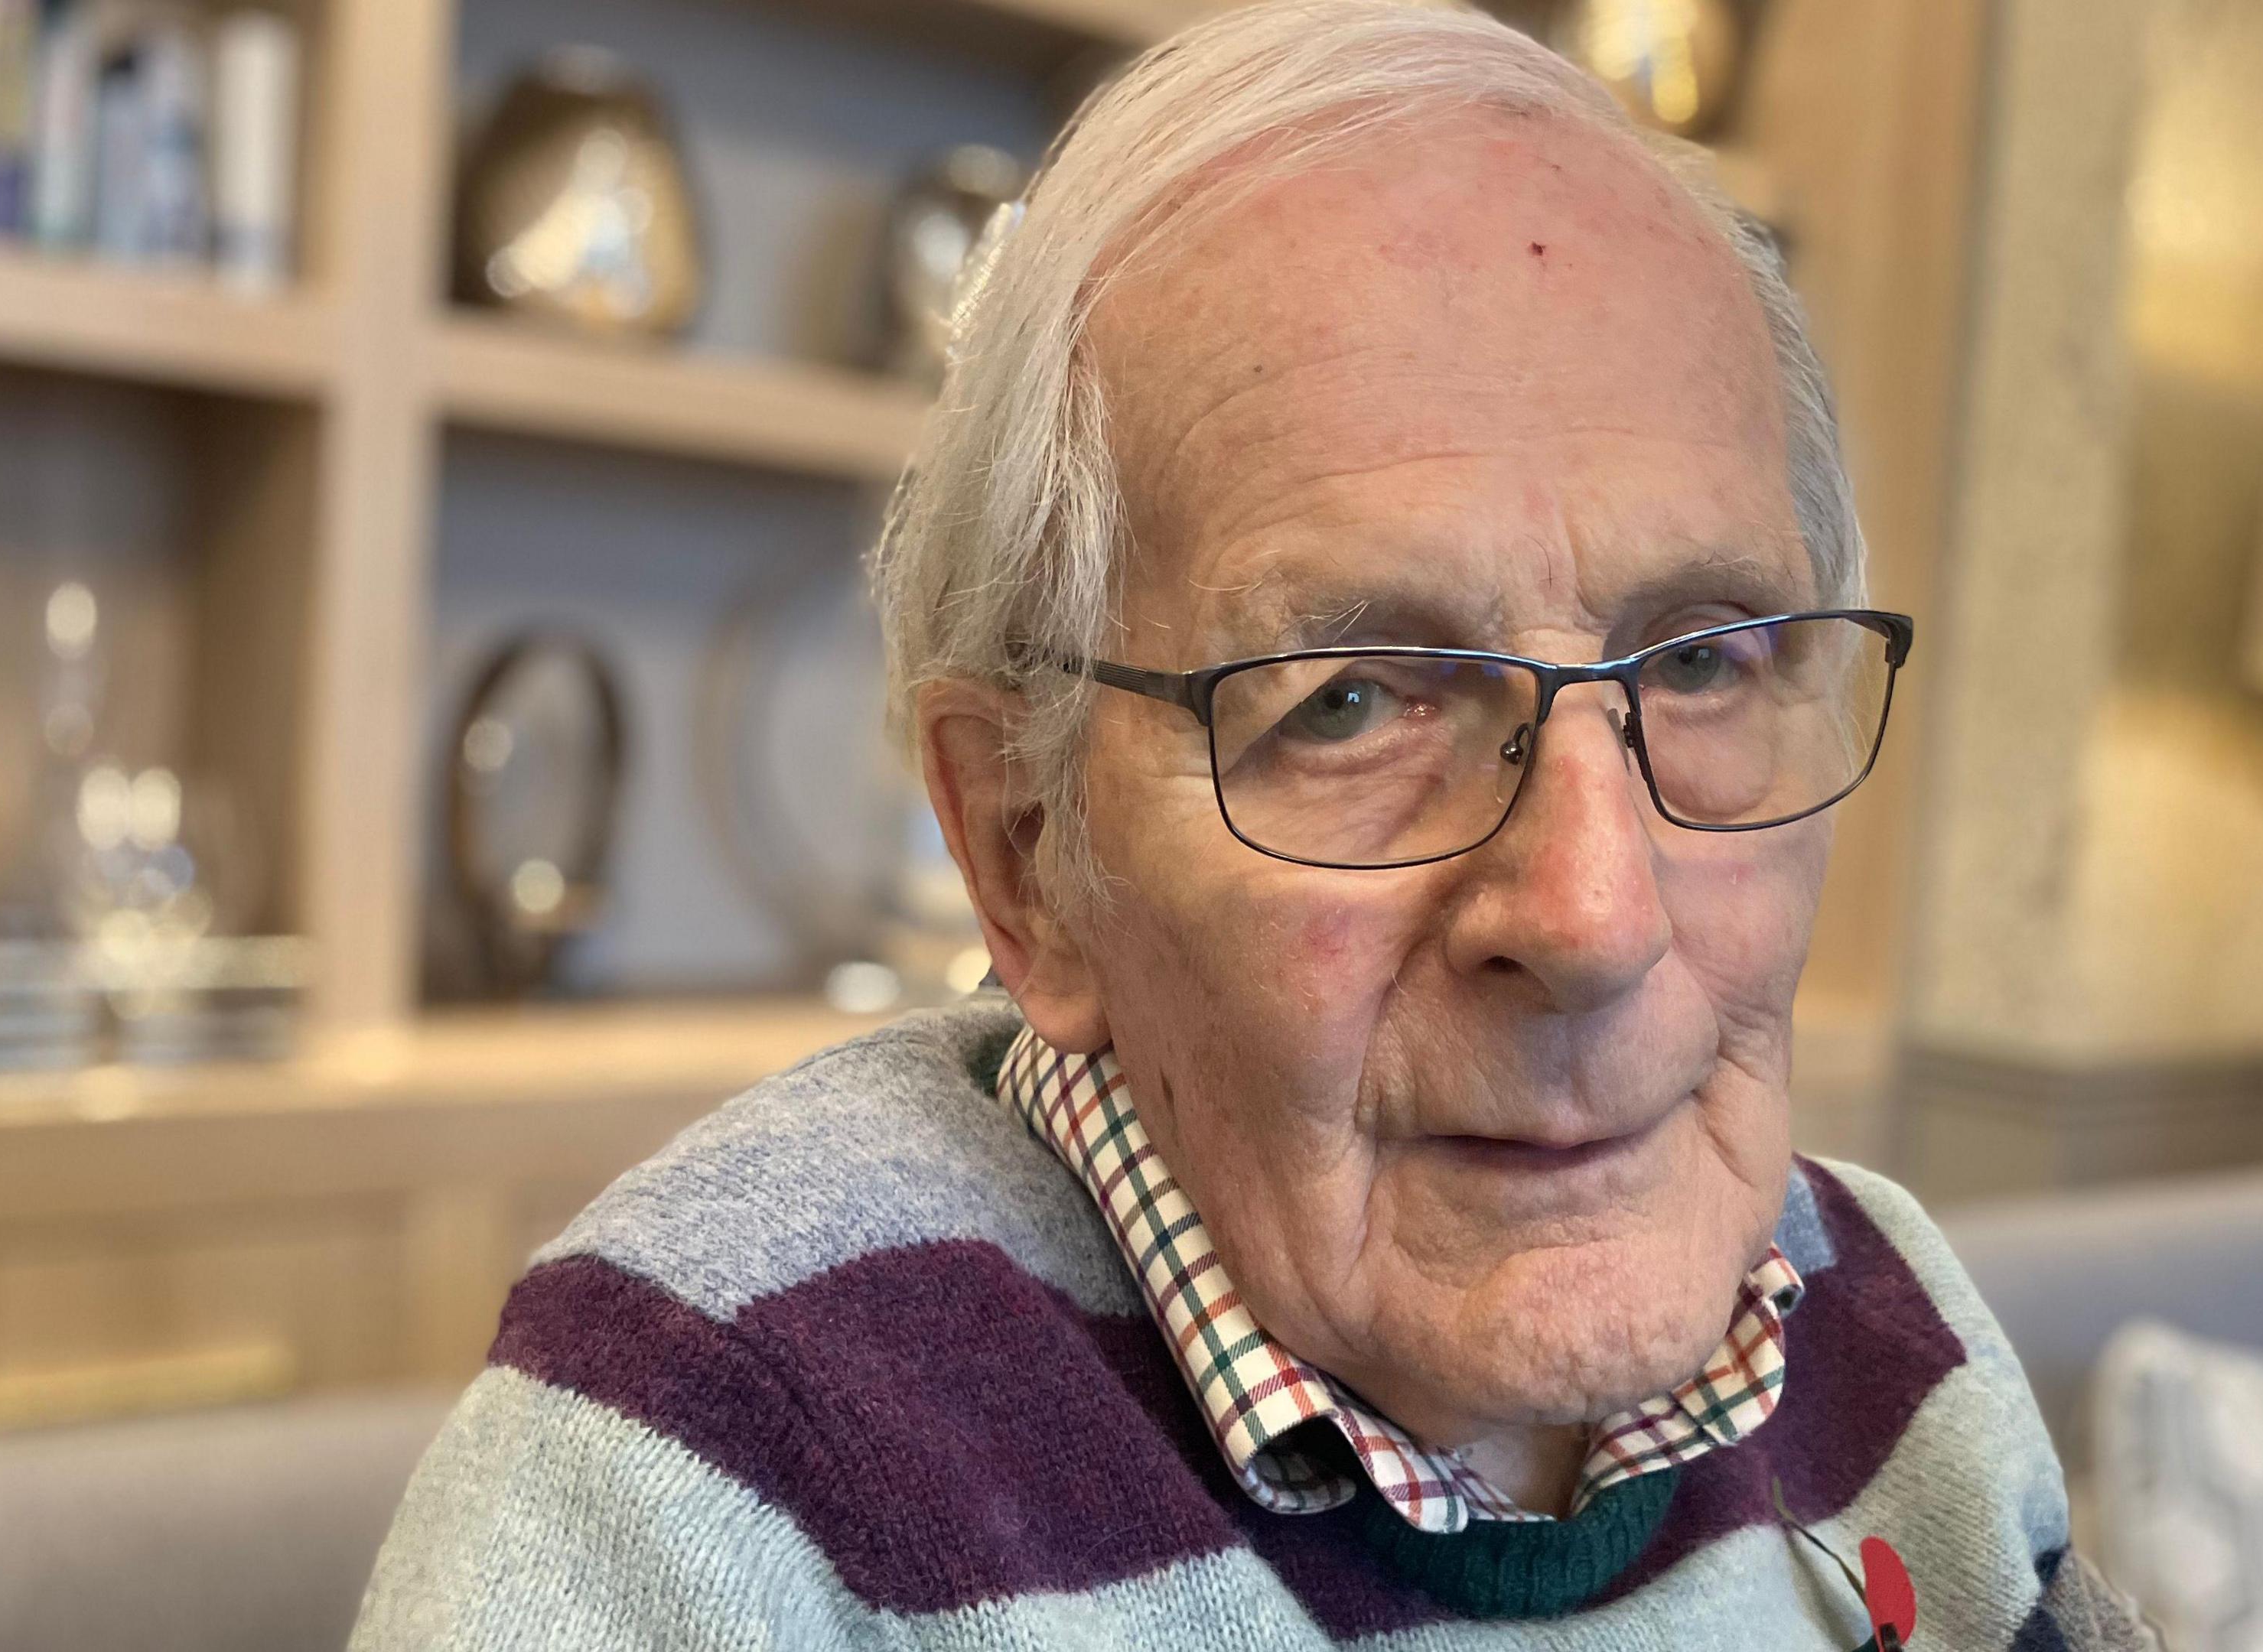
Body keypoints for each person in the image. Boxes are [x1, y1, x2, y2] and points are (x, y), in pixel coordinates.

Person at [350, 4, 2155, 1646]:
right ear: (1028, 854)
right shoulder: (713, 1482)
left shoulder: (1886, 1318)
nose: (1595, 912)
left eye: (1702, 663)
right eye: (1352, 704)